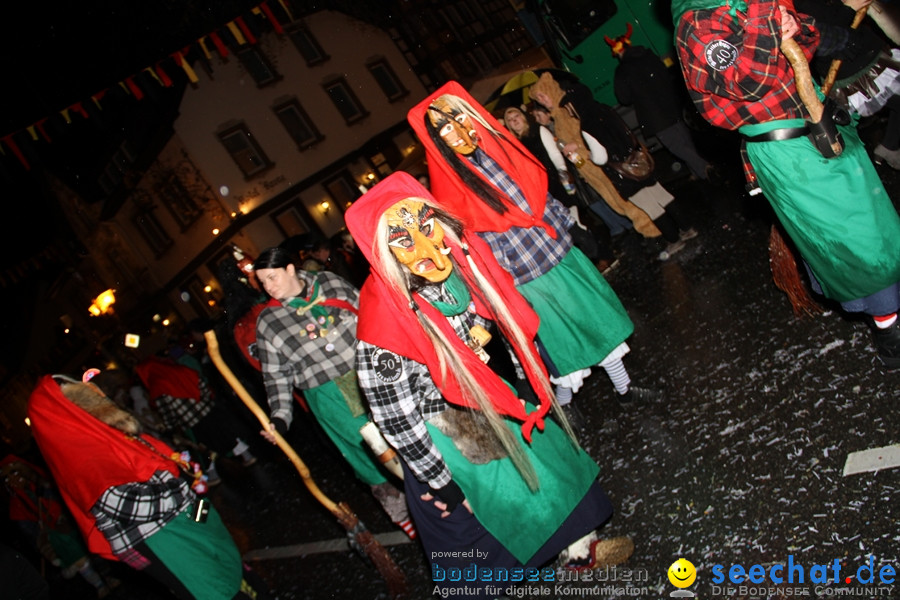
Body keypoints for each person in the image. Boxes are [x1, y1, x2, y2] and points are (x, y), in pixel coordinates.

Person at [345, 172, 634, 597]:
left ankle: (577, 554)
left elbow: (475, 309)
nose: (426, 245)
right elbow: (397, 418)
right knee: (489, 524)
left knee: (553, 470)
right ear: (381, 252)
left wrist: (478, 334)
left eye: (427, 227)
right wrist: (439, 480)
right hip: (444, 436)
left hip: (486, 397)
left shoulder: (447, 271)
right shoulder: (381, 332)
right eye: (403, 240)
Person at [407, 82, 663, 419]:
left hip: (559, 255)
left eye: (457, 118)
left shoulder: (499, 148)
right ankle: (565, 407)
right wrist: (509, 284)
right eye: (443, 128)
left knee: (597, 322)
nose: (454, 131)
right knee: (561, 344)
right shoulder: (454, 181)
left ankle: (624, 389)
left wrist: (566, 229)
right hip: (528, 276)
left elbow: (540, 194)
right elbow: (477, 240)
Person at [672, 0, 900, 368]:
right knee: (859, 240)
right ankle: (889, 332)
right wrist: (766, 14)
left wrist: (797, 28)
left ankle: (886, 310)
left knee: (876, 226)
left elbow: (802, 41)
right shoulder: (698, 21)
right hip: (789, 152)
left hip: (818, 126)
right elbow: (749, 82)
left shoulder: (739, 4)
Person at [26, 374, 270, 599]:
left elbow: (165, 464)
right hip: (161, 536)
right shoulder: (82, 459)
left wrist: (195, 497)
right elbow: (130, 503)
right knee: (212, 585)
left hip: (186, 515)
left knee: (226, 557)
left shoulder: (110, 436)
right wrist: (180, 488)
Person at [252, 246, 414, 538]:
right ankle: (407, 520)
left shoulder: (329, 282)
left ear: (291, 269)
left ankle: (445, 497)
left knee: (409, 433)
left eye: (272, 278)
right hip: (331, 398)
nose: (268, 287)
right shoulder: (268, 322)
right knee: (369, 459)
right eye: (263, 282)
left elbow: (369, 314)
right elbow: (275, 376)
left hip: (373, 374)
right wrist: (279, 418)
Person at [530, 72, 701, 262]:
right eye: (538, 98)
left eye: (542, 96)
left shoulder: (579, 116)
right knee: (657, 196)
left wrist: (581, 152)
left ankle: (668, 237)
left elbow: (596, 148)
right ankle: (685, 228)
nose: (542, 101)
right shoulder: (593, 110)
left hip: (614, 168)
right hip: (627, 162)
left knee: (646, 204)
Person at [503, 105, 620, 273]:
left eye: (516, 116)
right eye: (510, 120)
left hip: (557, 185)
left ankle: (604, 256)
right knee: (569, 229)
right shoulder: (515, 144)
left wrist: (564, 176)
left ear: (523, 117)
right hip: (542, 191)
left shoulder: (539, 130)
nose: (514, 121)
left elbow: (555, 155)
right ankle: (597, 258)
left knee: (575, 224)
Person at [793, 0, 900, 168]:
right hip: (854, 69)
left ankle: (888, 147)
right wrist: (849, 8)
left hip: (869, 55)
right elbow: (817, 33)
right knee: (844, 127)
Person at [609, 23, 717, 181]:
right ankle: (697, 171)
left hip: (654, 116)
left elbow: (624, 98)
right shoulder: (648, 55)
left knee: (675, 145)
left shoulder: (622, 70)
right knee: (684, 139)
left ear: (618, 52)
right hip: (670, 105)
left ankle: (704, 167)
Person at [2, 454, 118, 598]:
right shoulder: (18, 503)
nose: (13, 480)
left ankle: (110, 575)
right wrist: (45, 542)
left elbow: (57, 492)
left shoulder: (42, 480)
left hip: (75, 521)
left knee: (95, 546)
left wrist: (33, 480)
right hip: (59, 535)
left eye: (14, 473)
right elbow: (30, 529)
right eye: (7, 478)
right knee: (76, 556)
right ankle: (99, 584)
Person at [134, 356, 259, 485]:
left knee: (207, 450)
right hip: (209, 411)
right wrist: (205, 401)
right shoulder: (180, 370)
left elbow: (168, 413)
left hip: (194, 422)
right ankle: (247, 456)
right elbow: (202, 384)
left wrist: (171, 428)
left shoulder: (157, 386)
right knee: (227, 435)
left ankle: (213, 475)